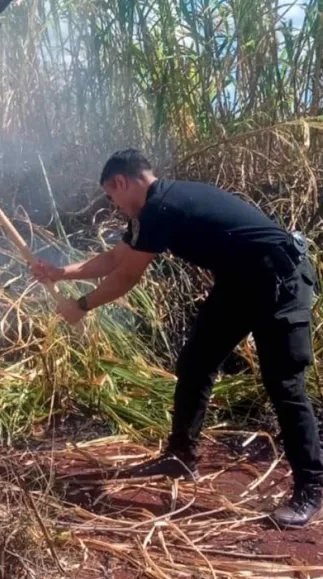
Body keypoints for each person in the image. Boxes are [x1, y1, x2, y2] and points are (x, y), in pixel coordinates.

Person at [33, 148, 322, 529]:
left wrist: (82, 305)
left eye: (111, 195)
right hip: (239, 284)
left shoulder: (161, 208)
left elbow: (126, 277)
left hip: (280, 281)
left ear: (121, 182)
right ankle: (181, 456)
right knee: (196, 362)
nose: (114, 204)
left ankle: (312, 489)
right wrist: (58, 272)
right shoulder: (153, 208)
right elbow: (114, 259)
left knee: (283, 383)